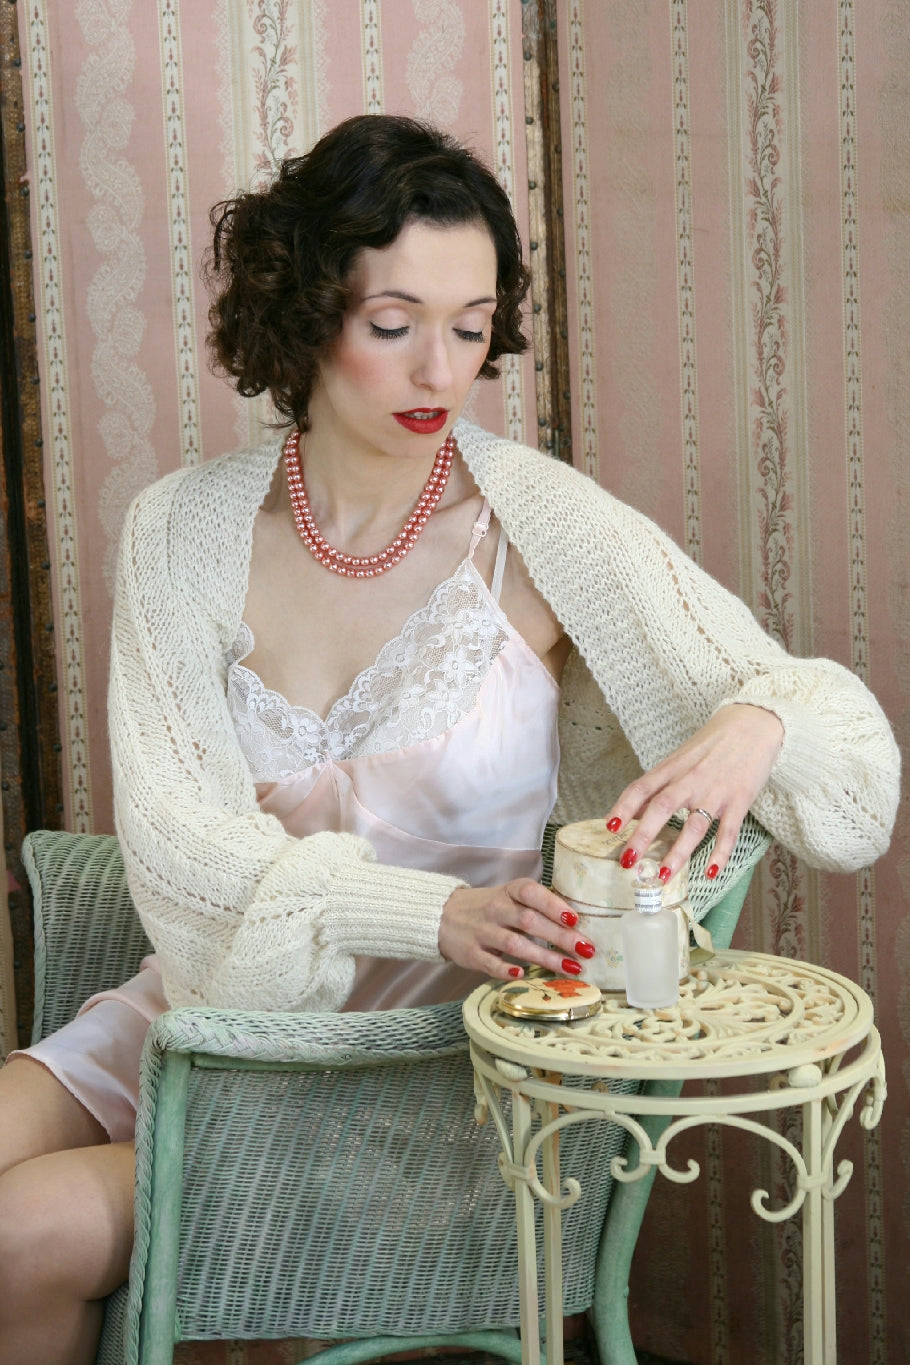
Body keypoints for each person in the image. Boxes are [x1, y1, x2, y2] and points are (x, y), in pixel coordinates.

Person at [0, 114, 899, 1363]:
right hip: (208, 1019)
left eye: (471, 328)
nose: (440, 370)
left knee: (19, 1233)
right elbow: (179, 851)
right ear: (305, 313)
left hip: (425, 1078)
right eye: (394, 324)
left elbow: (846, 762)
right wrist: (426, 910)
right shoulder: (180, 531)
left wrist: (758, 720)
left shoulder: (543, 529)